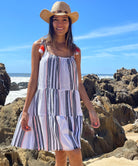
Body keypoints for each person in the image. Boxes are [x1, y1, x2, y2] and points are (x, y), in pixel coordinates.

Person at [11, 1, 100, 166]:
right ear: (50, 22)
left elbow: (78, 83)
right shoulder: (40, 46)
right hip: (49, 107)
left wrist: (91, 109)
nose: (60, 24)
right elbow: (34, 79)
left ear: (70, 23)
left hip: (71, 108)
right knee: (66, 151)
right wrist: (25, 111)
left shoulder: (76, 51)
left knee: (66, 150)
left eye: (64, 19)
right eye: (56, 19)